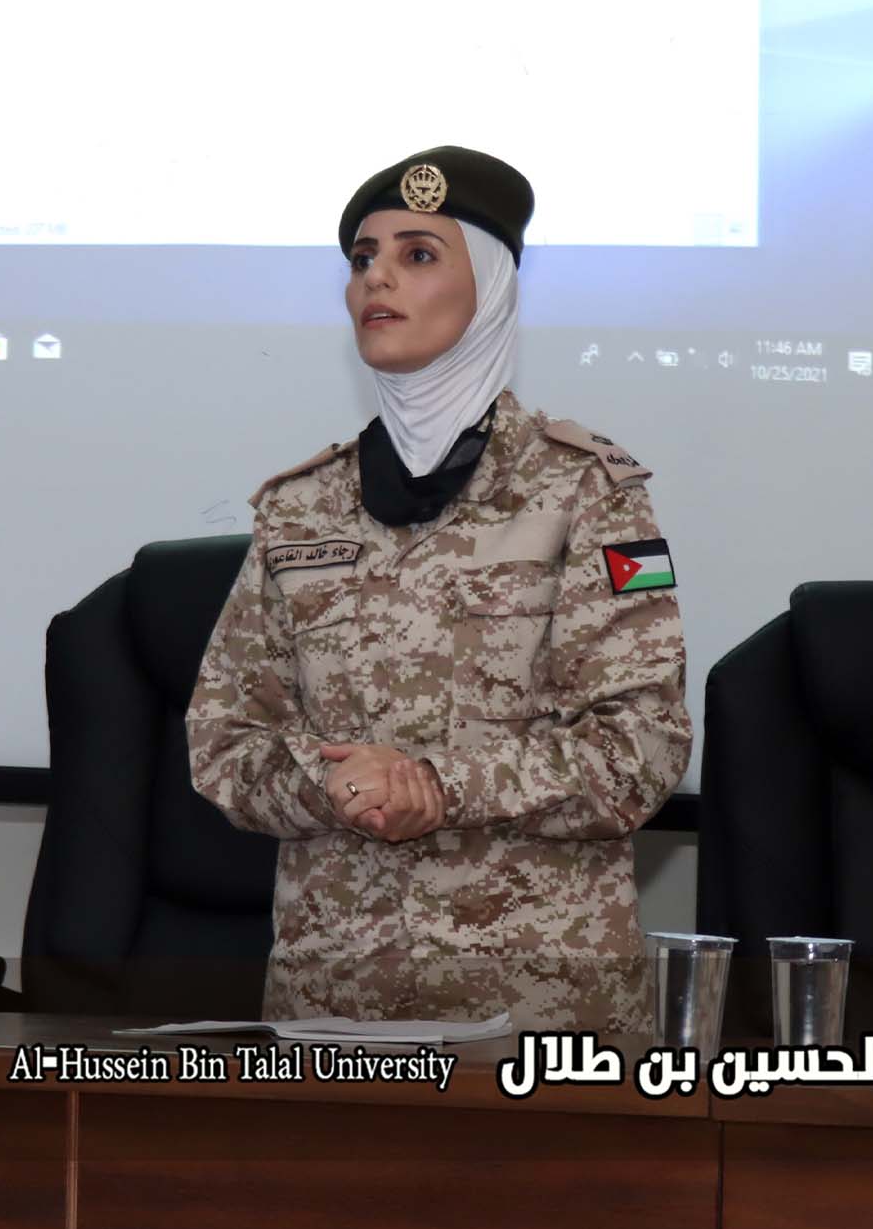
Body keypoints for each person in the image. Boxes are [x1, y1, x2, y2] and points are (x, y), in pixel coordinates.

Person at [184, 145, 691, 1031]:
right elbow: (223, 745)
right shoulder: (299, 508)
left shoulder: (589, 492)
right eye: (362, 259)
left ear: (490, 288)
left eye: (417, 254)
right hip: (332, 1003)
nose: (375, 278)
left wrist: (437, 785)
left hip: (541, 1011)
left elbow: (638, 752)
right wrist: (332, 788)